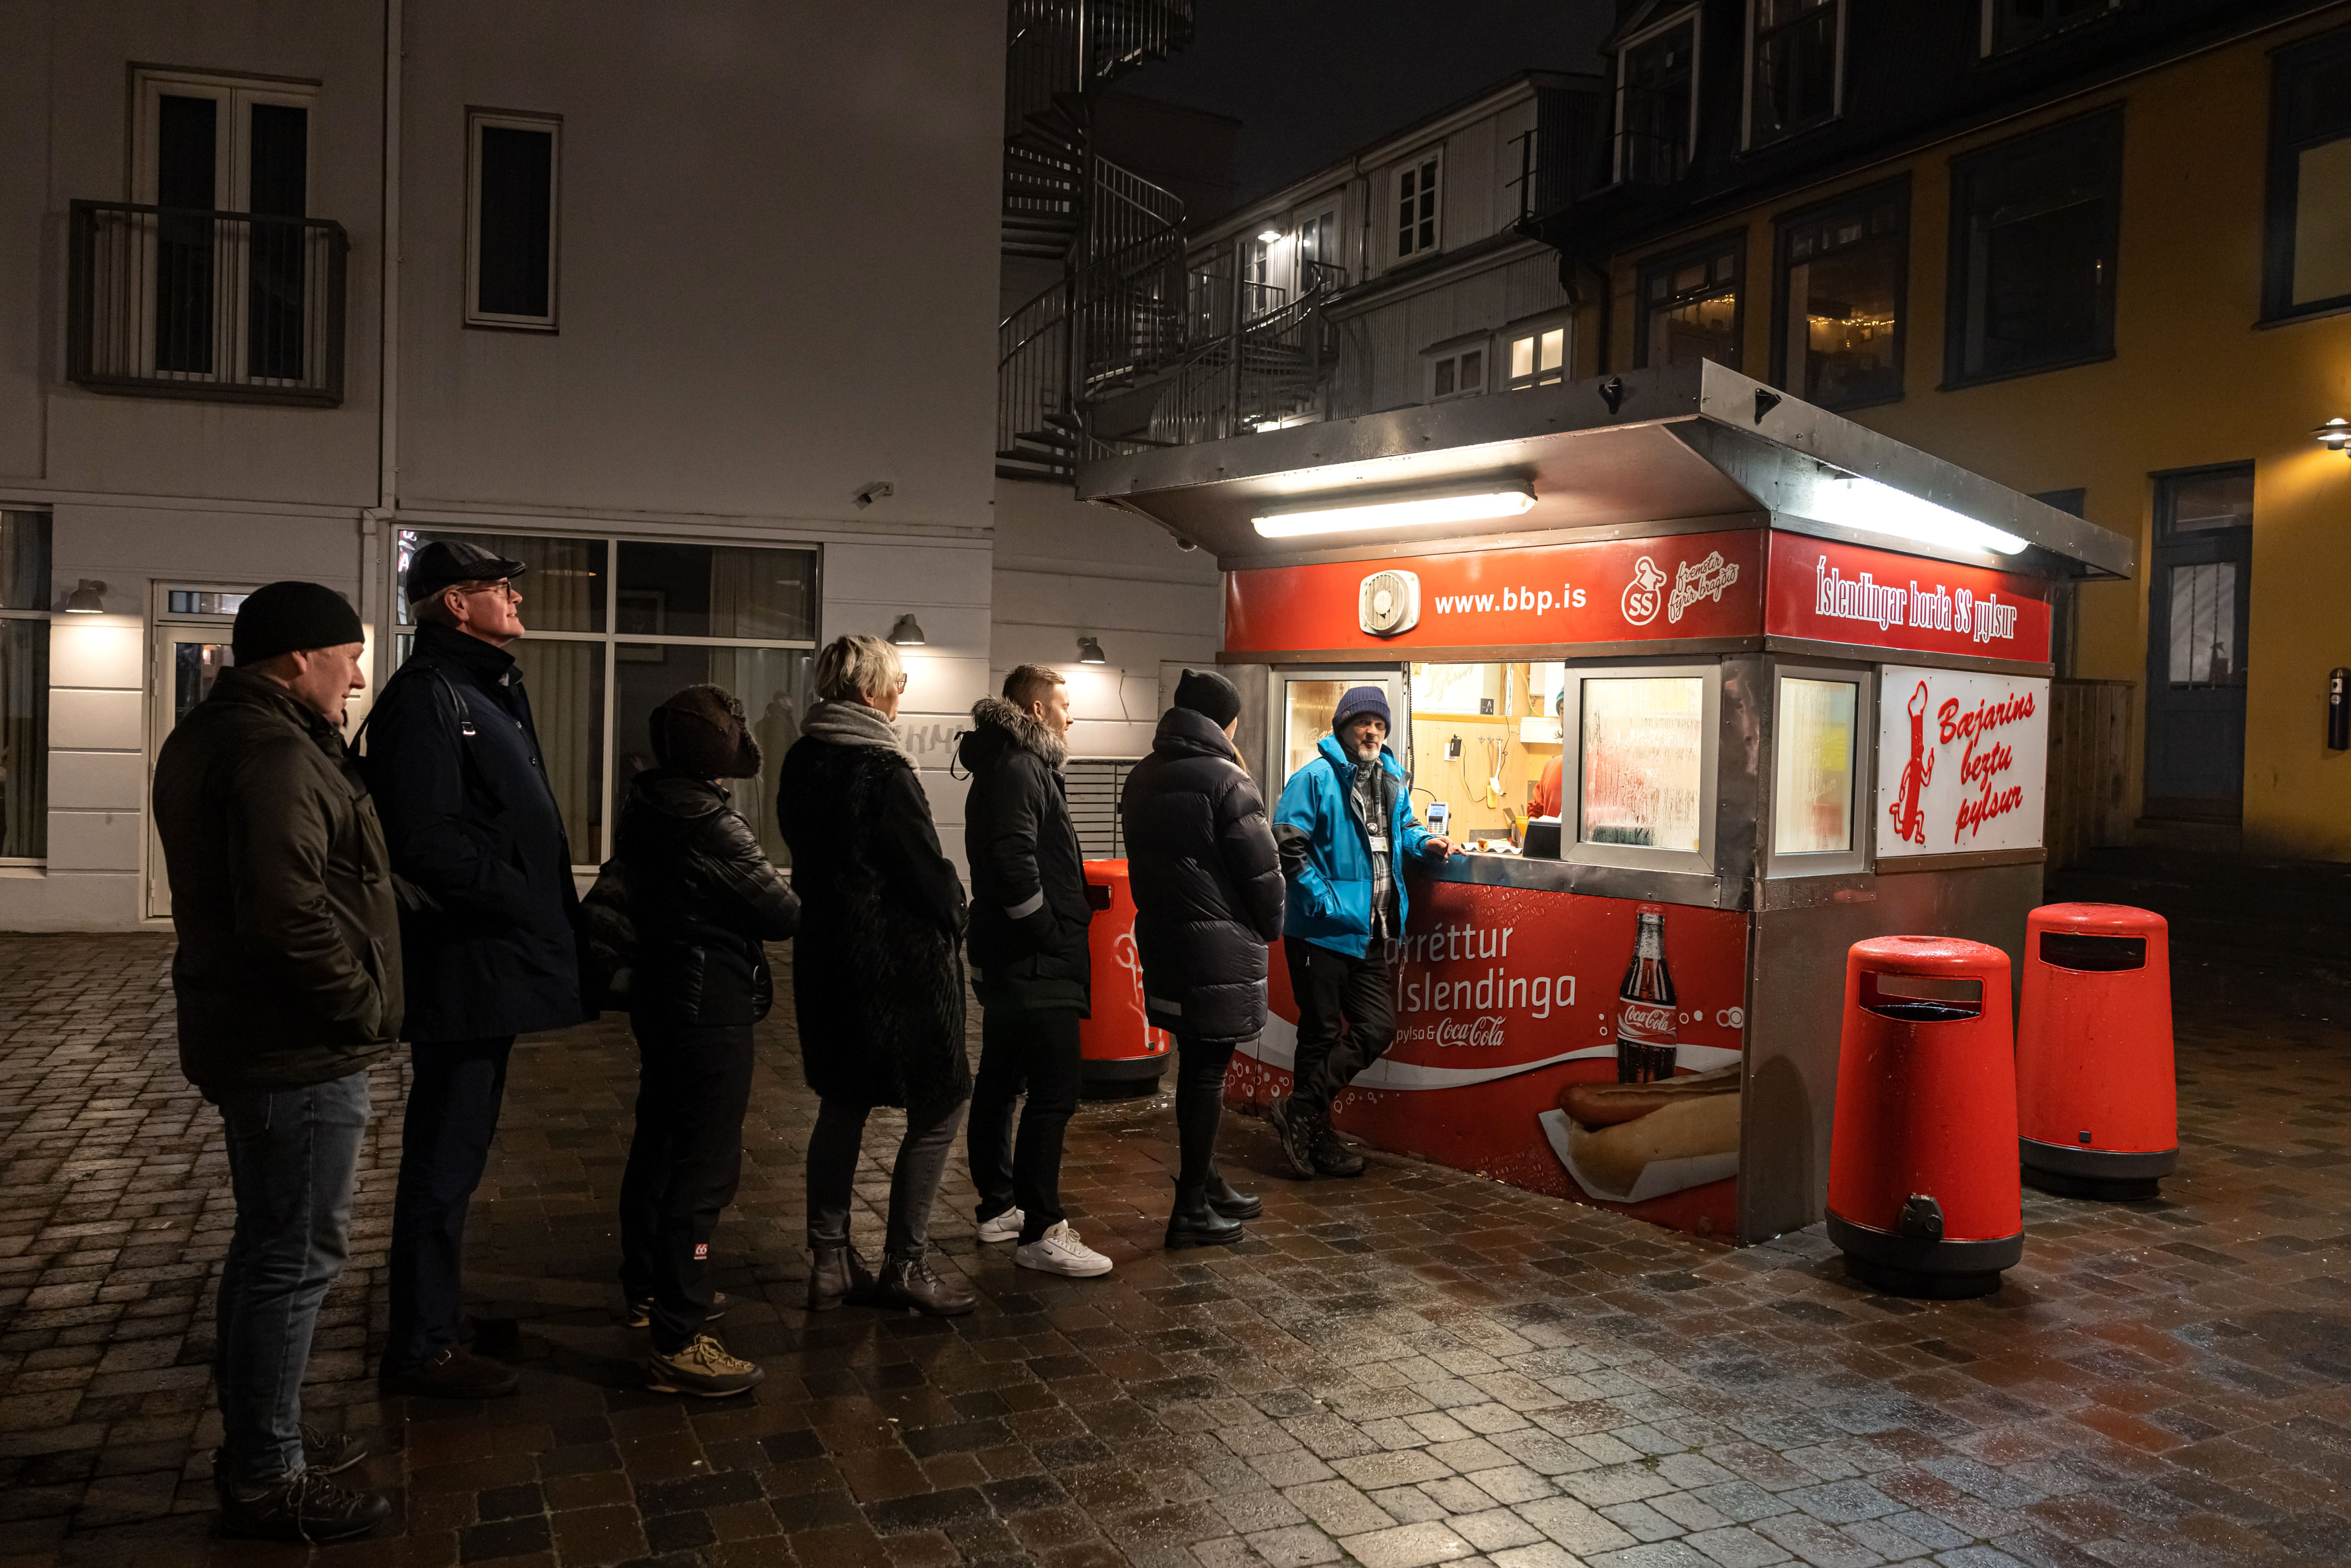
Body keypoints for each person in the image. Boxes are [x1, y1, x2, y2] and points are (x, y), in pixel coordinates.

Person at [153, 581, 399, 1541]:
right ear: (299, 657)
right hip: (292, 1045)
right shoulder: (274, 751)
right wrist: (362, 1003)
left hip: (257, 1033)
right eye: (349, 657)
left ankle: (263, 1439)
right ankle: (266, 1473)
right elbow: (287, 913)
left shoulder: (219, 734)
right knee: (294, 1256)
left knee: (270, 1247)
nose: (357, 677)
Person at [368, 540, 583, 1398]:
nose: (516, 600)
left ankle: (437, 1318)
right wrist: (522, 895)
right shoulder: (430, 696)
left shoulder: (479, 686)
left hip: (488, 958)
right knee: (444, 1154)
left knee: (458, 1148)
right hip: (465, 964)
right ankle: (421, 1344)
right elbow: (425, 839)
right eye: (500, 588)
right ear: (456, 603)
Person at [778, 634, 975, 1315]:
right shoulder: (883, 769)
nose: (900, 697)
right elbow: (923, 871)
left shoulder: (801, 759)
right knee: (941, 1100)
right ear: (869, 693)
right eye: (897, 684)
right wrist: (957, 909)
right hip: (897, 969)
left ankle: (830, 1261)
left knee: (842, 1101)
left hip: (826, 960)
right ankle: (906, 1264)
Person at [612, 685, 800, 1395]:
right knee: (705, 1167)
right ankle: (680, 1335)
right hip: (709, 1004)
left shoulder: (649, 802)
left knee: (659, 1146)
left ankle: (649, 1288)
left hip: (662, 998)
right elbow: (780, 912)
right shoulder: (710, 821)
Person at [1121, 669, 1284, 1247]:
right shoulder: (1228, 780)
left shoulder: (1143, 775)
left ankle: (1206, 1180)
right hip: (1216, 952)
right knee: (1205, 1072)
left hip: (1165, 940)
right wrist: (1271, 925)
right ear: (1226, 721)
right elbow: (1262, 874)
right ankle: (1189, 1206)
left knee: (1193, 1067)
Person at [959, 665, 1109, 1277]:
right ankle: (1042, 1229)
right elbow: (1013, 859)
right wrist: (1048, 928)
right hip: (1036, 962)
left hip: (1013, 957)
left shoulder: (1009, 764)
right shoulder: (1023, 767)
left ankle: (1000, 1207)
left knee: (1000, 1081)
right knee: (1054, 1091)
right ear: (1038, 710)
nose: (1073, 716)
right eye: (1064, 705)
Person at [1269, 685, 1452, 1180]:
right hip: (1320, 932)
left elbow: (1403, 828)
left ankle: (1300, 1109)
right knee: (1320, 1033)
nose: (1372, 732)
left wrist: (1425, 842)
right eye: (1362, 723)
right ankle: (1317, 1138)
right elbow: (1287, 844)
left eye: (1379, 724)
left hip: (1371, 931)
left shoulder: (1391, 779)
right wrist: (1324, 903)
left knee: (1376, 1028)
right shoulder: (1314, 778)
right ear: (1343, 728)